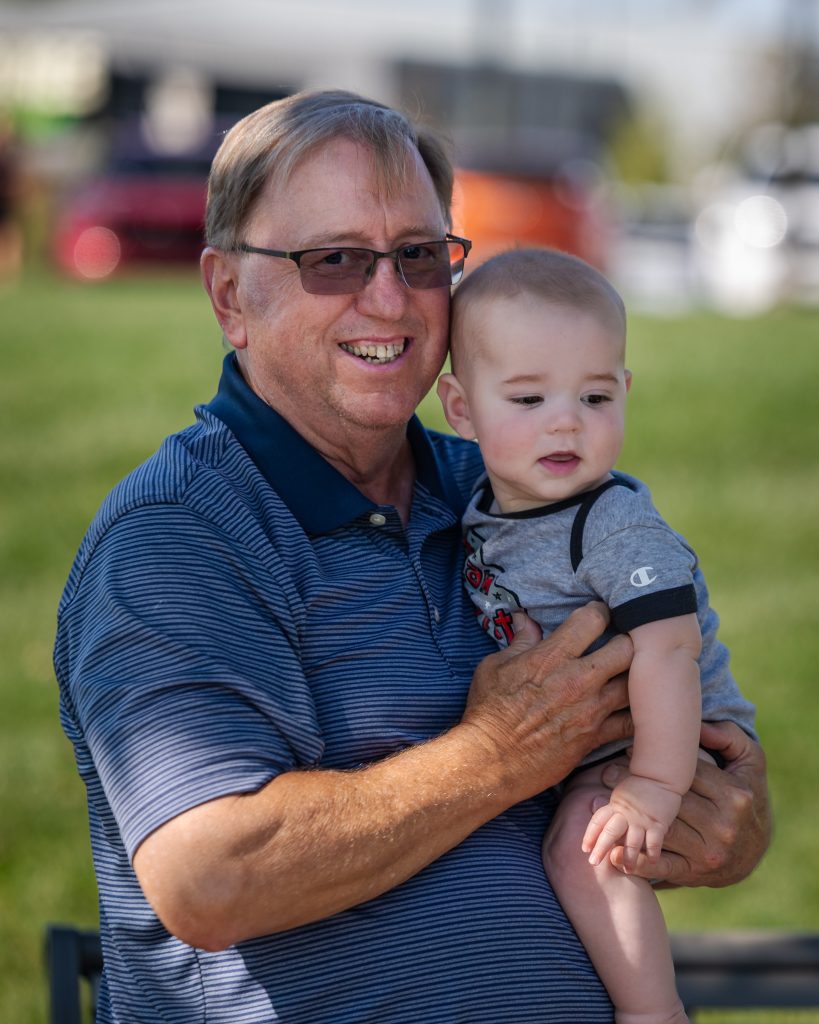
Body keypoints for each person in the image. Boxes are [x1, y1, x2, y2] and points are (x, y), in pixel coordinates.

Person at [54, 89, 770, 1023]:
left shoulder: (517, 484)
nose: (389, 298)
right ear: (230, 295)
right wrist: (494, 756)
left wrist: (724, 818)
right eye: (335, 259)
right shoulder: (177, 536)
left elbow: (696, 728)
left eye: (419, 256)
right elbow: (211, 879)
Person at [437, 246, 759, 1023]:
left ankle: (652, 1011)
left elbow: (669, 651)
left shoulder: (610, 525)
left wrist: (654, 784)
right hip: (607, 735)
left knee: (582, 852)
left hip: (664, 735)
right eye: (527, 398)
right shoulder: (485, 500)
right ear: (460, 409)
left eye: (593, 396)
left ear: (623, 392)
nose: (564, 421)